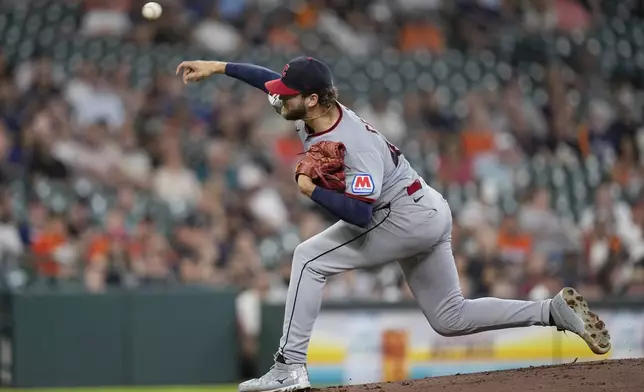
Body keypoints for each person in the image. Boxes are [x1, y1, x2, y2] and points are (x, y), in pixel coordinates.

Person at [175, 57, 611, 392]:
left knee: (308, 258)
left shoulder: (353, 144)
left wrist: (313, 191)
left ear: (311, 99)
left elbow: (361, 214)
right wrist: (220, 68)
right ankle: (550, 311)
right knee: (450, 317)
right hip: (424, 206)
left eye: (287, 95)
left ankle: (289, 367)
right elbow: (270, 80)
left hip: (402, 215)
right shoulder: (320, 109)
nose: (277, 99)